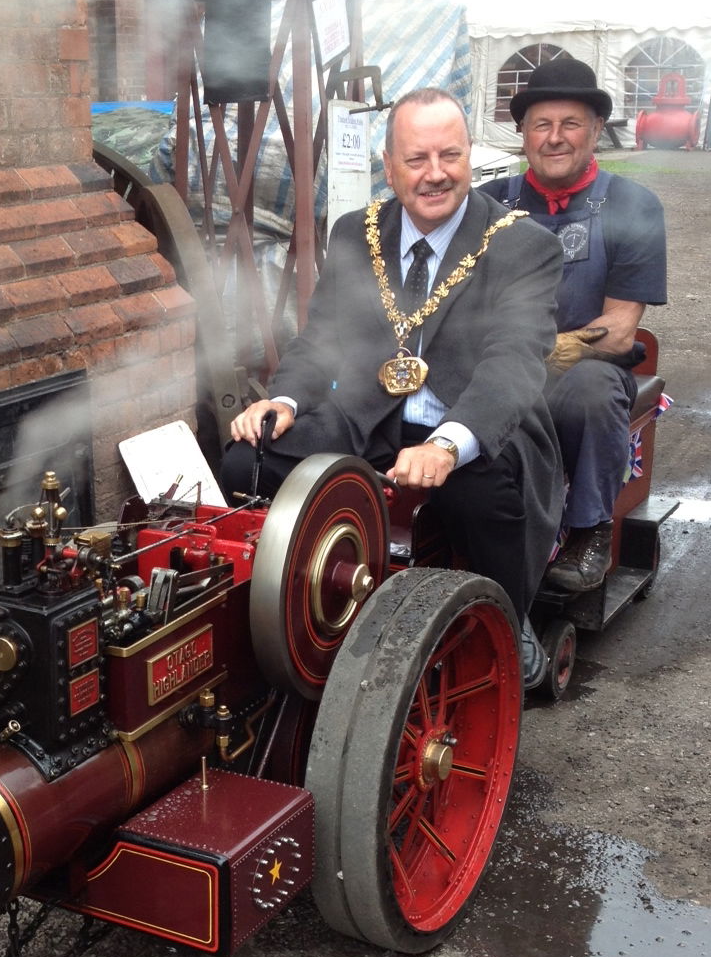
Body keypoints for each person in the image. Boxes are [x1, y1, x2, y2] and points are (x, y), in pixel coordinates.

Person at [220, 87, 564, 687]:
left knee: (472, 493)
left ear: (470, 155)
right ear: (389, 167)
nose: (435, 175)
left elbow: (513, 364)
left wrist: (448, 445)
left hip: (477, 427)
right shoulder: (359, 231)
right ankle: (294, 607)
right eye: (416, 159)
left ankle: (510, 617)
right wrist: (282, 400)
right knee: (246, 458)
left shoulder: (523, 244)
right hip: (369, 419)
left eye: (450, 156)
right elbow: (322, 335)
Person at [479, 58, 667, 592]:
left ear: (596, 131)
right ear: (523, 134)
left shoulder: (634, 206)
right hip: (503, 361)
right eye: (542, 124)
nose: (555, 138)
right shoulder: (490, 205)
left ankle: (590, 531)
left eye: (571, 124)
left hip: (589, 369)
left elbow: (623, 328)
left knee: (585, 392)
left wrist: (551, 350)